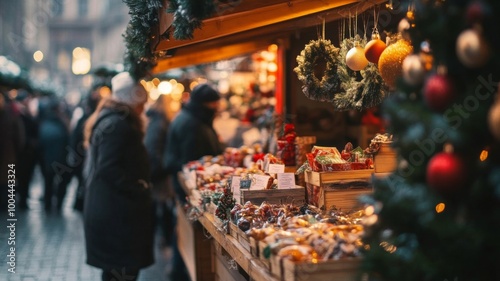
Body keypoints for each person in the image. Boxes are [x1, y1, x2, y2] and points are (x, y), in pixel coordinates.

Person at [83, 72, 154, 281]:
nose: (144, 107)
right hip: (116, 215)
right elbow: (108, 168)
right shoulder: (118, 125)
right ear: (132, 100)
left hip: (113, 211)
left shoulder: (114, 120)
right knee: (121, 273)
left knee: (117, 272)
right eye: (142, 101)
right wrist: (139, 187)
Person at [163, 83, 223, 280]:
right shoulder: (193, 124)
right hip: (188, 188)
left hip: (183, 184)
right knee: (190, 227)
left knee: (184, 227)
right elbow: (193, 161)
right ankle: (183, 270)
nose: (217, 108)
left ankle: (178, 269)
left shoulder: (192, 118)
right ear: (205, 104)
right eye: (213, 104)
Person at [144, 95, 174, 248]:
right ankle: (163, 237)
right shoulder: (159, 122)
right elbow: (153, 149)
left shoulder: (156, 121)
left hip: (157, 171)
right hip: (158, 173)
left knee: (160, 204)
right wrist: (161, 169)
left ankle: (162, 236)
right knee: (161, 204)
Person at [38, 96, 71, 211]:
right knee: (60, 183)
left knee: (48, 183)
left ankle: (47, 205)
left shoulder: (43, 123)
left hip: (47, 159)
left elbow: (40, 144)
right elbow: (68, 142)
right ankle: (58, 205)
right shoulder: (63, 123)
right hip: (61, 159)